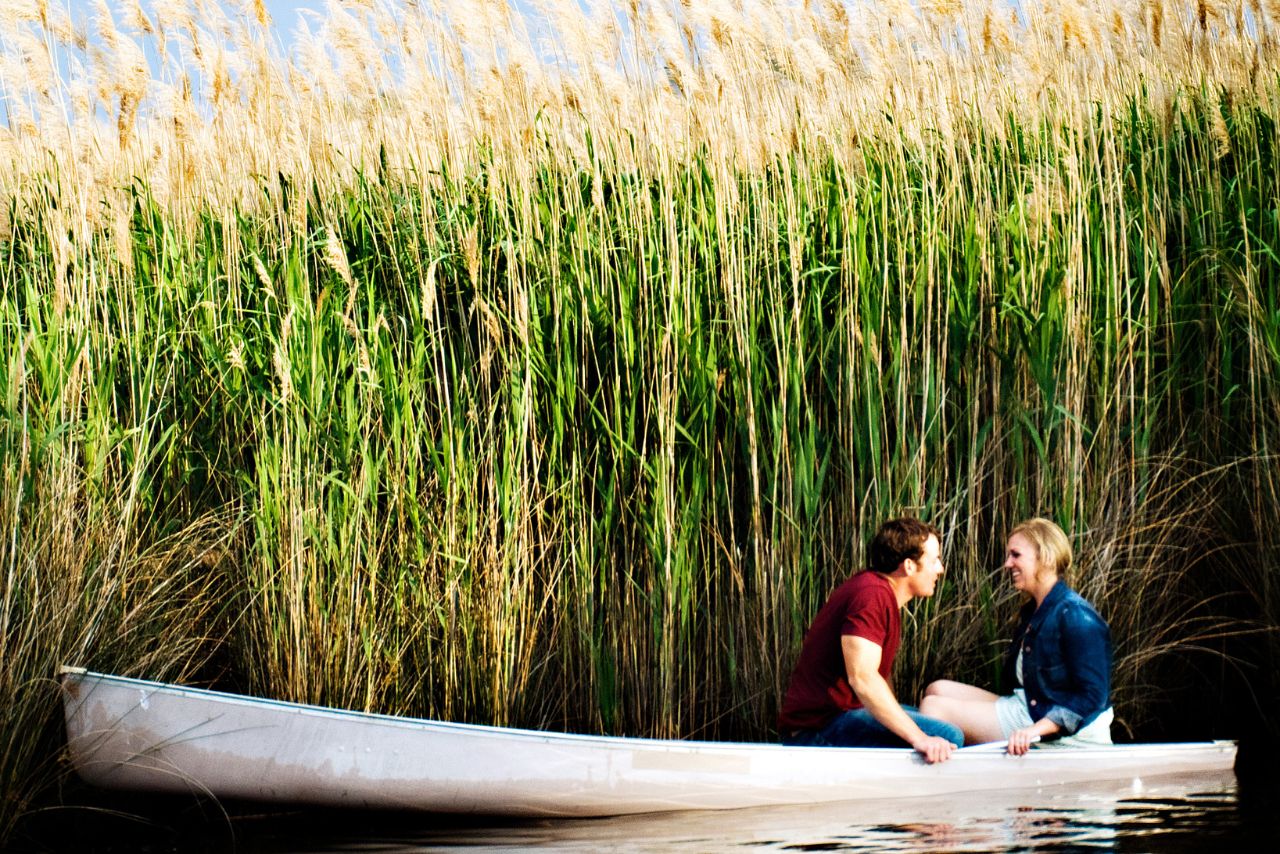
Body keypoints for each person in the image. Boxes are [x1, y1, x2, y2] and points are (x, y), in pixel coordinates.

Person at [920, 518, 1113, 755]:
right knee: (936, 689)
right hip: (1031, 704)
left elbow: (1092, 696)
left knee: (933, 709)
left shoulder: (1075, 616)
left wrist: (1036, 730)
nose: (1007, 564)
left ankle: (950, 773)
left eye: (1016, 555)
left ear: (1046, 558)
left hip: (1062, 731)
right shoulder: (1034, 610)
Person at [778, 517, 963, 764]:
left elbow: (878, 677)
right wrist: (919, 738)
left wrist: (905, 726)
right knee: (946, 735)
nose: (940, 568)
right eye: (934, 560)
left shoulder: (880, 593)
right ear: (909, 566)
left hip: (841, 717)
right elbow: (862, 678)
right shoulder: (871, 596)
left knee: (935, 725)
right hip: (818, 729)